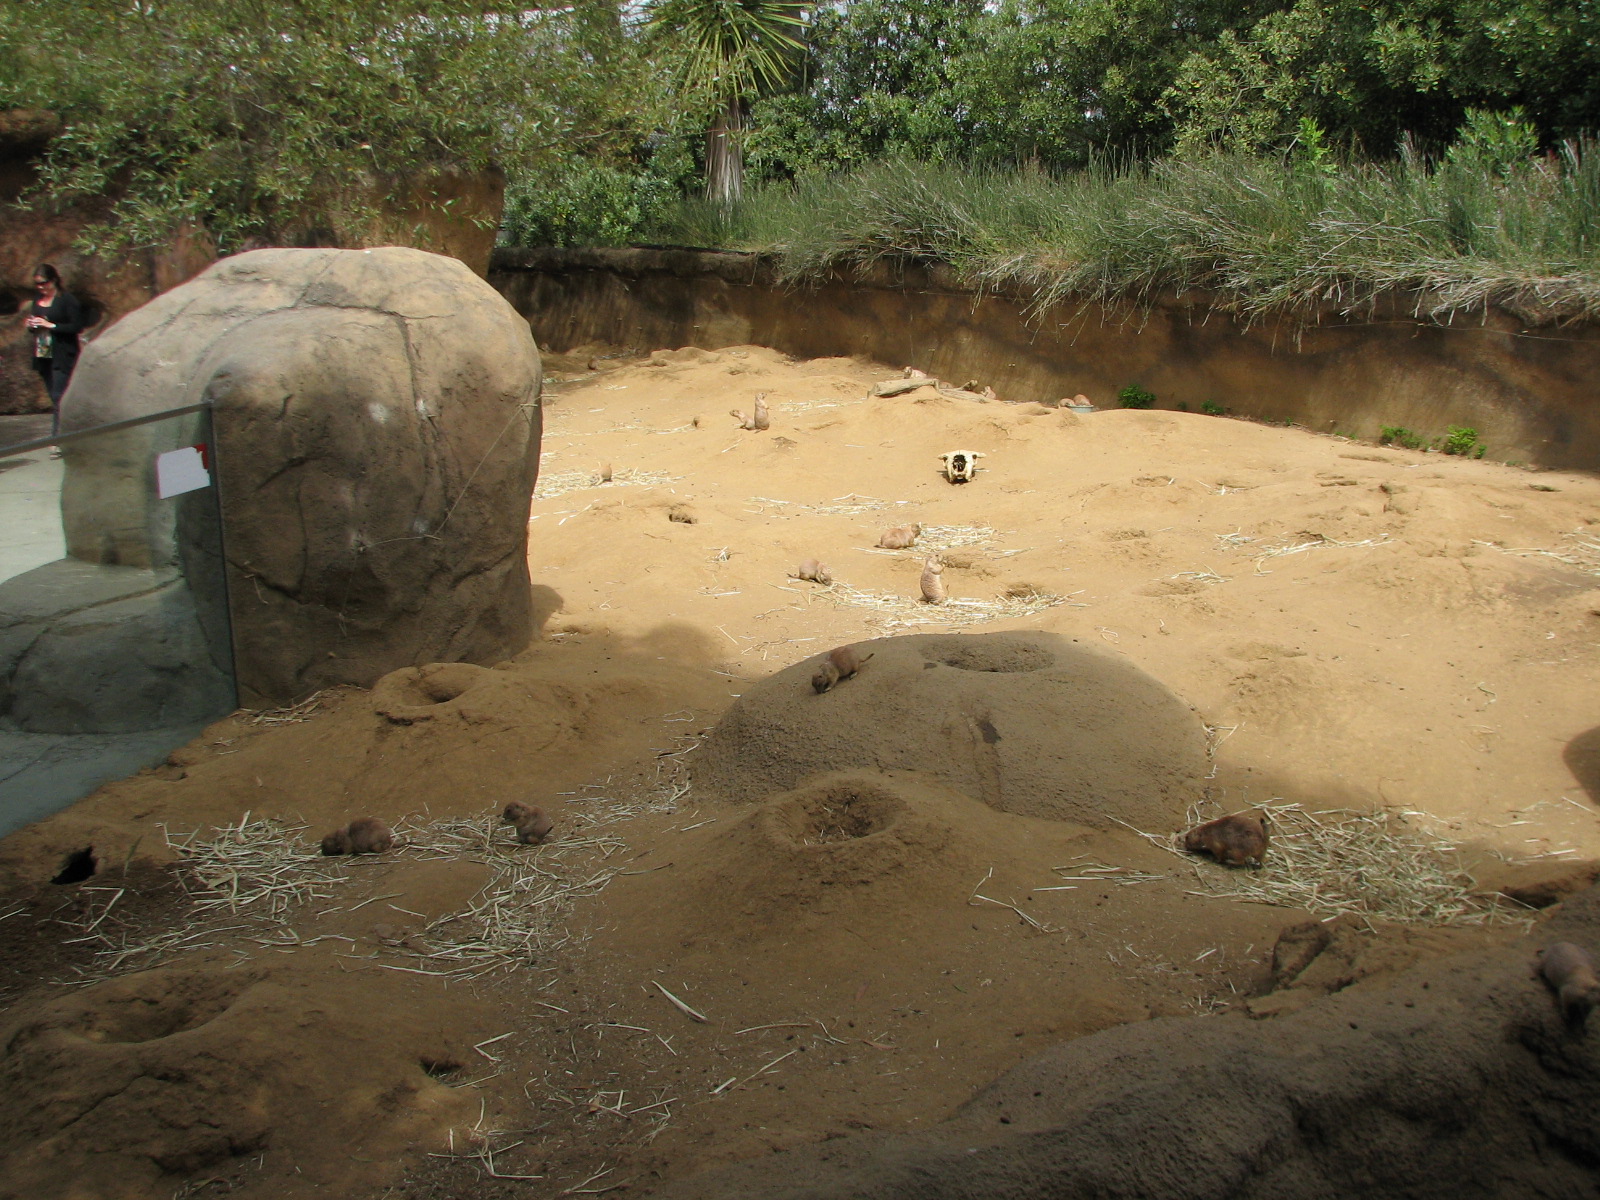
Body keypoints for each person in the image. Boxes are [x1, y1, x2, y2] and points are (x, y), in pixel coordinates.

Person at [23, 264, 85, 438]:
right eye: (37, 284)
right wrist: (31, 325)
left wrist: (52, 325)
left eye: (44, 283)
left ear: (54, 280)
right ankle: (69, 431)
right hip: (44, 353)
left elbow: (76, 326)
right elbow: (36, 325)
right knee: (54, 397)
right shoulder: (37, 300)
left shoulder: (67, 300)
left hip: (62, 354)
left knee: (59, 396)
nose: (41, 287)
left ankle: (56, 439)